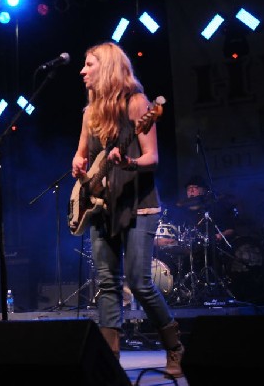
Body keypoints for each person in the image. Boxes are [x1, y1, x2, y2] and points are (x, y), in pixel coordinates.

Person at [71, 42, 183, 378]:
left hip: (139, 204)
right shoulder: (90, 113)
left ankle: (175, 347)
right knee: (107, 284)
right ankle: (110, 361)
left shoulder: (137, 104)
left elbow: (153, 158)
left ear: (105, 67)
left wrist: (130, 161)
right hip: (102, 207)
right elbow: (82, 155)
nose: (82, 71)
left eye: (89, 64)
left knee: (139, 281)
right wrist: (78, 163)